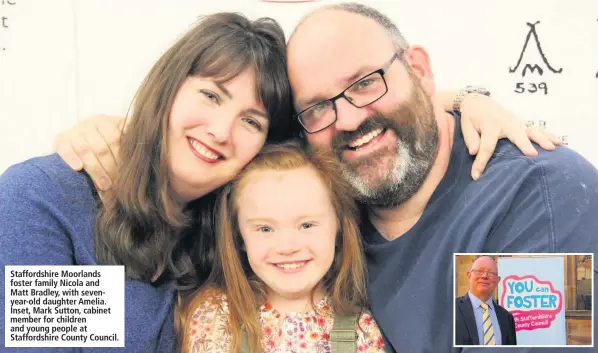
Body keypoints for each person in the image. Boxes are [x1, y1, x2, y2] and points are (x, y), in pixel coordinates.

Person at [48, 5, 571, 353]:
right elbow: (34, 326)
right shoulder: (49, 193)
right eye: (209, 94)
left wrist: (464, 99)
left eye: (251, 120)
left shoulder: (534, 194)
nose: (346, 119)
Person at [0, 12, 293, 352]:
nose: (220, 131)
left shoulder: (235, 242)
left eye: (251, 122)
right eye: (211, 95)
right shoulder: (43, 199)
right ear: (168, 88)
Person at [179, 141, 386, 353]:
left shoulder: (363, 333)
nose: (287, 247)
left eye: (306, 225)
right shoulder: (214, 319)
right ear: (239, 237)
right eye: (265, 229)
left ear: (339, 229)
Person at [455, 256, 517, 346]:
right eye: (479, 271)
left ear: (498, 280)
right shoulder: (451, 310)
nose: (484, 276)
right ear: (469, 276)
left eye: (491, 273)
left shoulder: (507, 318)